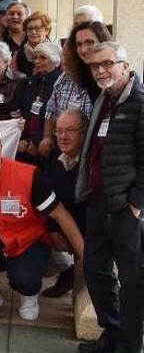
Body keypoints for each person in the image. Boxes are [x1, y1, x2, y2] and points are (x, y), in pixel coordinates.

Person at [0, 122, 83, 322]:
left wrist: (83, 255)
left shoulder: (28, 175)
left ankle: (29, 296)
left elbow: (61, 215)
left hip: (26, 242)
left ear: (0, 148)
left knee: (24, 279)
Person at [76, 42, 144, 353]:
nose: (101, 70)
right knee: (94, 268)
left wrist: (136, 203)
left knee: (132, 278)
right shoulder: (105, 99)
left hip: (125, 206)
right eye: (94, 66)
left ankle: (129, 345)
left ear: (124, 66)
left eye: (107, 64)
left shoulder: (139, 102)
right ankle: (112, 332)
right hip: (98, 199)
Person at [40, 19, 112, 157]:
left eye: (90, 42)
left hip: (97, 155)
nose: (83, 49)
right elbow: (51, 109)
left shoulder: (109, 80)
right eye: (79, 44)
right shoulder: (66, 77)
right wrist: (47, 136)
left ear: (103, 42)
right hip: (68, 154)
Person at [38, 108, 87, 299]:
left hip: (90, 230)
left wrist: (83, 250)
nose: (63, 137)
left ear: (84, 131)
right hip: (62, 226)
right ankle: (67, 271)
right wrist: (52, 229)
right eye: (58, 131)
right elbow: (47, 198)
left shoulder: (93, 163)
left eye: (70, 130)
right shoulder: (54, 157)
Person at [15, 42, 62, 163]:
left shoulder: (61, 84)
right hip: (24, 142)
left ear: (54, 60)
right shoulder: (28, 83)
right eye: (35, 57)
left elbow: (57, 117)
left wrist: (36, 142)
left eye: (42, 58)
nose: (36, 61)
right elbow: (22, 112)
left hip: (48, 144)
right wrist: (23, 139)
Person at [12, 12, 52, 78]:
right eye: (30, 29)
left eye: (38, 28)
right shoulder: (19, 54)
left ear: (47, 30)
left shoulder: (56, 52)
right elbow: (12, 77)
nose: (33, 32)